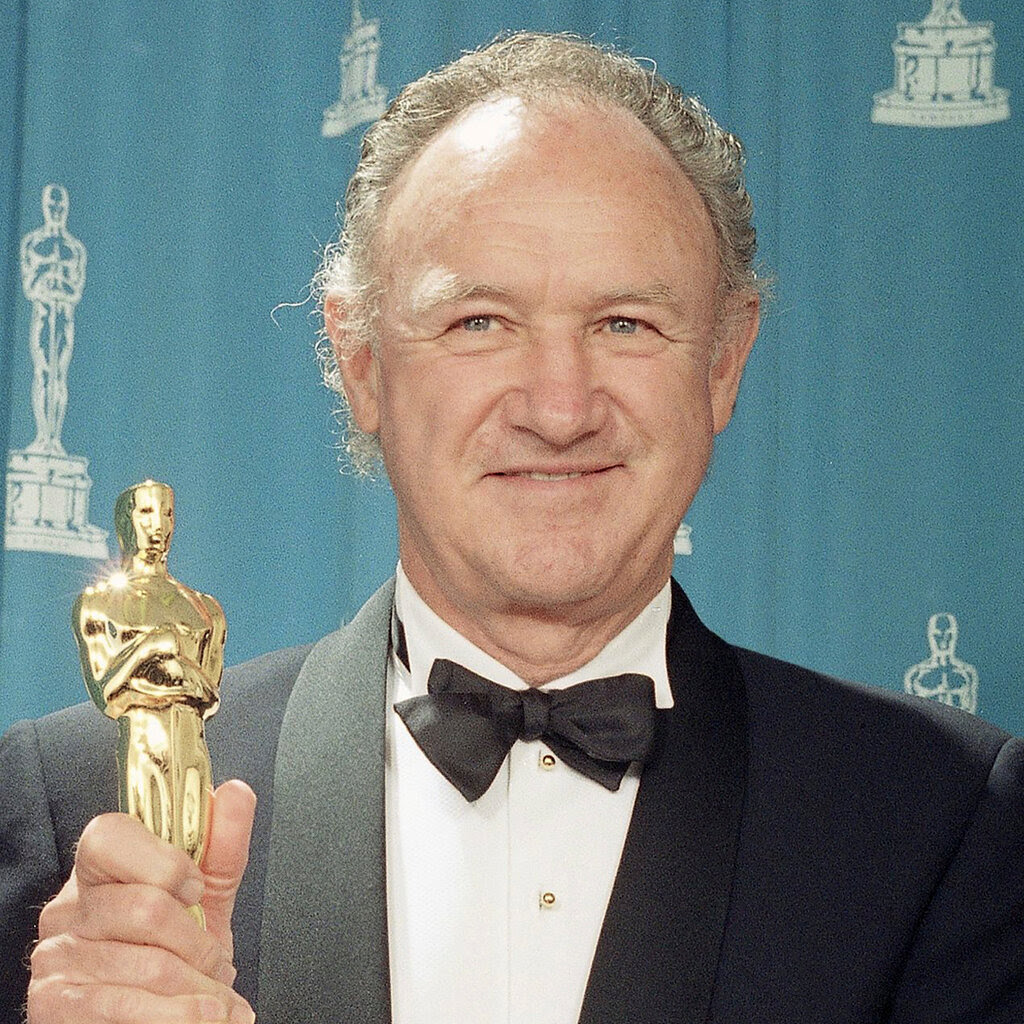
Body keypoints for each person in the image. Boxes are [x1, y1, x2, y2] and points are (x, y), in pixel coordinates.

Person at [2, 31, 1023, 1024]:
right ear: (359, 360)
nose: (560, 404)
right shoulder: (81, 809)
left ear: (722, 362)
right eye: (478, 322)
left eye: (625, 322)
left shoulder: (938, 819)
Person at [72, 481, 225, 872]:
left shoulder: (205, 609)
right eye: (146, 513)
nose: (158, 526)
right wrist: (150, 647)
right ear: (126, 520)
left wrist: (154, 675)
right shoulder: (100, 603)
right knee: (150, 867)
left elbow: (209, 694)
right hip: (143, 744)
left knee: (194, 865)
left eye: (166, 513)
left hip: (192, 747)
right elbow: (108, 693)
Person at [19, 184, 87, 455]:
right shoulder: (34, 243)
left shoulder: (74, 249)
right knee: (43, 373)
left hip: (64, 318)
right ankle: (42, 436)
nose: (56, 211)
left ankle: (54, 438)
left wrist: (57, 283)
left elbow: (76, 289)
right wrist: (50, 277)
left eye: (60, 207)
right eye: (51, 206)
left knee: (60, 377)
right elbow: (30, 286)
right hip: (44, 315)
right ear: (44, 207)